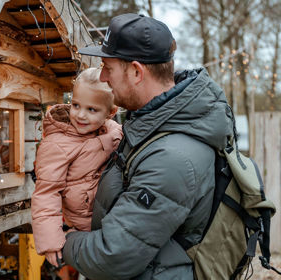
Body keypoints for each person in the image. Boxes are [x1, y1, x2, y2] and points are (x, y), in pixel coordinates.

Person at [62, 13, 234, 279]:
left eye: (108, 67)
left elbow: (113, 255)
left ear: (136, 72)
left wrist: (64, 240)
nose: (103, 77)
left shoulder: (172, 158)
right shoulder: (150, 126)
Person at [31, 67, 123, 267]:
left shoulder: (114, 132)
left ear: (111, 112)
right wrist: (51, 243)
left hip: (114, 216)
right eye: (76, 105)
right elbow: (47, 192)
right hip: (86, 223)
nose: (80, 115)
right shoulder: (57, 143)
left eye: (92, 109)